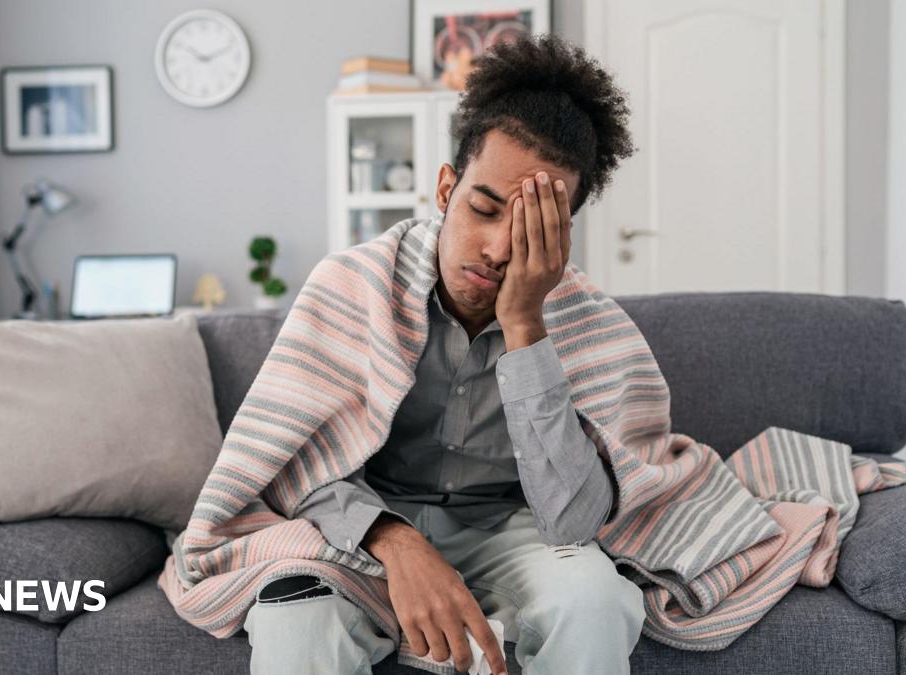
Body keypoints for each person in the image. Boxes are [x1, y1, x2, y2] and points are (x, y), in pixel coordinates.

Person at [243, 32, 645, 675]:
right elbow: (288, 465)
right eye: (483, 209)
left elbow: (573, 522)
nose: (495, 251)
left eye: (528, 230)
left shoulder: (585, 323)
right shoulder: (351, 286)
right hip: (365, 524)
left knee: (595, 601)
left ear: (563, 231)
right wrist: (391, 538)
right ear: (445, 189)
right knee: (294, 616)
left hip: (510, 529)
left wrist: (523, 324)